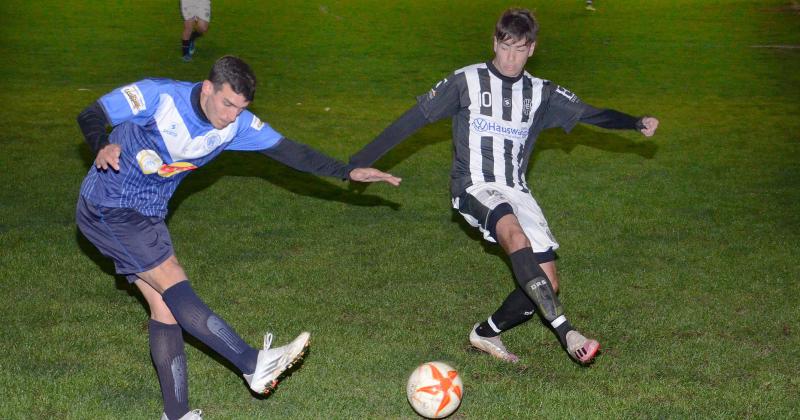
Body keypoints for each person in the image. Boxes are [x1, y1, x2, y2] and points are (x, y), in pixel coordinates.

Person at [76, 55, 401, 420]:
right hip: (109, 205)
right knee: (172, 279)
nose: (231, 115)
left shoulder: (236, 125)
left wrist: (347, 171)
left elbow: (291, 152)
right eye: (227, 103)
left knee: (165, 307)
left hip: (149, 214)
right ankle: (251, 363)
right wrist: (100, 145)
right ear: (209, 87)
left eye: (240, 108)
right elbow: (91, 113)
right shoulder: (159, 96)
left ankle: (176, 414)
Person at [350, 8, 658, 366]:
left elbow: (591, 114)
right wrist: (358, 161)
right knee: (514, 234)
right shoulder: (467, 81)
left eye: (520, 49)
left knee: (546, 283)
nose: (510, 58)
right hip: (474, 185)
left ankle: (486, 331)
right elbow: (413, 120)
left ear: (532, 49)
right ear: (494, 42)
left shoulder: (542, 92)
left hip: (516, 188)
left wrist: (635, 122)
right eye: (505, 47)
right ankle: (568, 332)